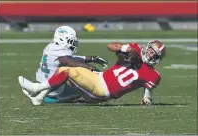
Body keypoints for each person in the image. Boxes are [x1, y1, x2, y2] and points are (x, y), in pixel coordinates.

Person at [19, 40, 166, 106]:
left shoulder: (154, 74)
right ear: (147, 47)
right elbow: (110, 46)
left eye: (155, 55)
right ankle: (39, 97)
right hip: (99, 77)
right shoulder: (135, 49)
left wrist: (147, 100)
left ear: (157, 59)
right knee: (63, 69)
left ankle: (37, 88)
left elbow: (148, 91)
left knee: (69, 72)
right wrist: (127, 50)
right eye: (151, 51)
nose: (152, 55)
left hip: (103, 91)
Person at [20, 26, 108, 105]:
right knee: (83, 85)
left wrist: (92, 58)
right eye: (71, 41)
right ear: (62, 39)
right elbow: (70, 62)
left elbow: (71, 58)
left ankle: (38, 93)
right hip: (55, 91)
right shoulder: (61, 53)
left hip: (43, 82)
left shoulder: (51, 47)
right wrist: (90, 68)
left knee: (68, 75)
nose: (73, 43)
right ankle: (49, 99)